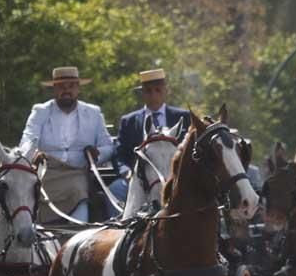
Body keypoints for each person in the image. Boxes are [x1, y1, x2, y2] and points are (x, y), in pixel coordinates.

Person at [19, 66, 115, 222]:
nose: (66, 90)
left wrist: (97, 153)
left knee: (79, 192)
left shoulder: (93, 113)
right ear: (54, 90)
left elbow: (108, 146)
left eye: (71, 86)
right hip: (46, 172)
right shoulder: (40, 111)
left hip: (77, 172)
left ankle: (76, 234)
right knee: (28, 197)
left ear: (78, 89)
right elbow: (27, 139)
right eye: (61, 87)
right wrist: (33, 153)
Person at [111, 69, 191, 213]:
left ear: (166, 91)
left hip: (174, 178)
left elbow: (190, 149)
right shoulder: (129, 121)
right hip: (137, 179)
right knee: (116, 188)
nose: (153, 95)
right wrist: (126, 172)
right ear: (142, 94)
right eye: (148, 91)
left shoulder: (183, 117)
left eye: (157, 90)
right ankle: (121, 231)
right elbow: (119, 153)